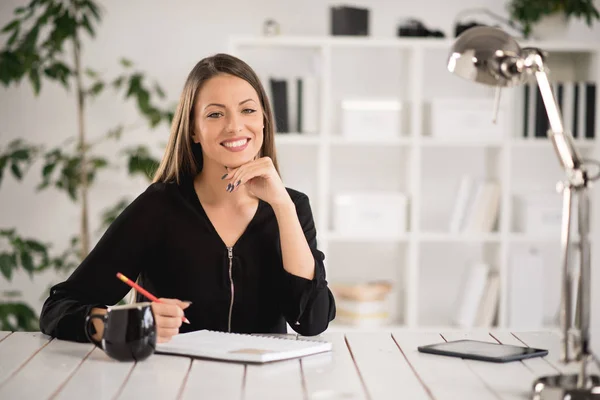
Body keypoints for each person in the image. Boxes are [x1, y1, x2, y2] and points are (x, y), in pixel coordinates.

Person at [39, 53, 336, 343]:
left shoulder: (293, 207)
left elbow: (311, 322)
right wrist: (119, 323)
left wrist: (282, 206)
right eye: (215, 114)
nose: (234, 126)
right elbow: (59, 307)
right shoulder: (159, 207)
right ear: (193, 129)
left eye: (248, 110)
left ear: (263, 121)